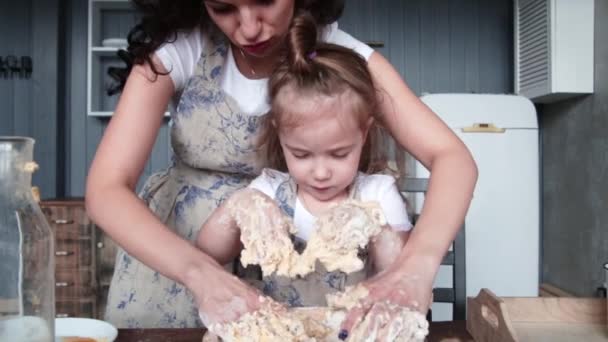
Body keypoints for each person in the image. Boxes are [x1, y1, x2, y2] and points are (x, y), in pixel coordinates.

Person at [85, 0, 477, 334]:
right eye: (223, 8)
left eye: (265, 1)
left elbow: (452, 159)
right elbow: (106, 189)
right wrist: (200, 272)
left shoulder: (341, 58)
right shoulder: (181, 51)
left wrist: (417, 265)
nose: (249, 27)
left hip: (296, 285)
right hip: (177, 261)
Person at [196, 12, 412, 310]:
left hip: (351, 328)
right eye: (301, 154)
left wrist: (377, 232)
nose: (321, 173)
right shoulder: (269, 191)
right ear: (280, 136)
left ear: (364, 133)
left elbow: (400, 271)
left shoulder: (377, 194)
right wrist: (239, 207)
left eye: (339, 154)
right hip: (279, 328)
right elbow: (209, 251)